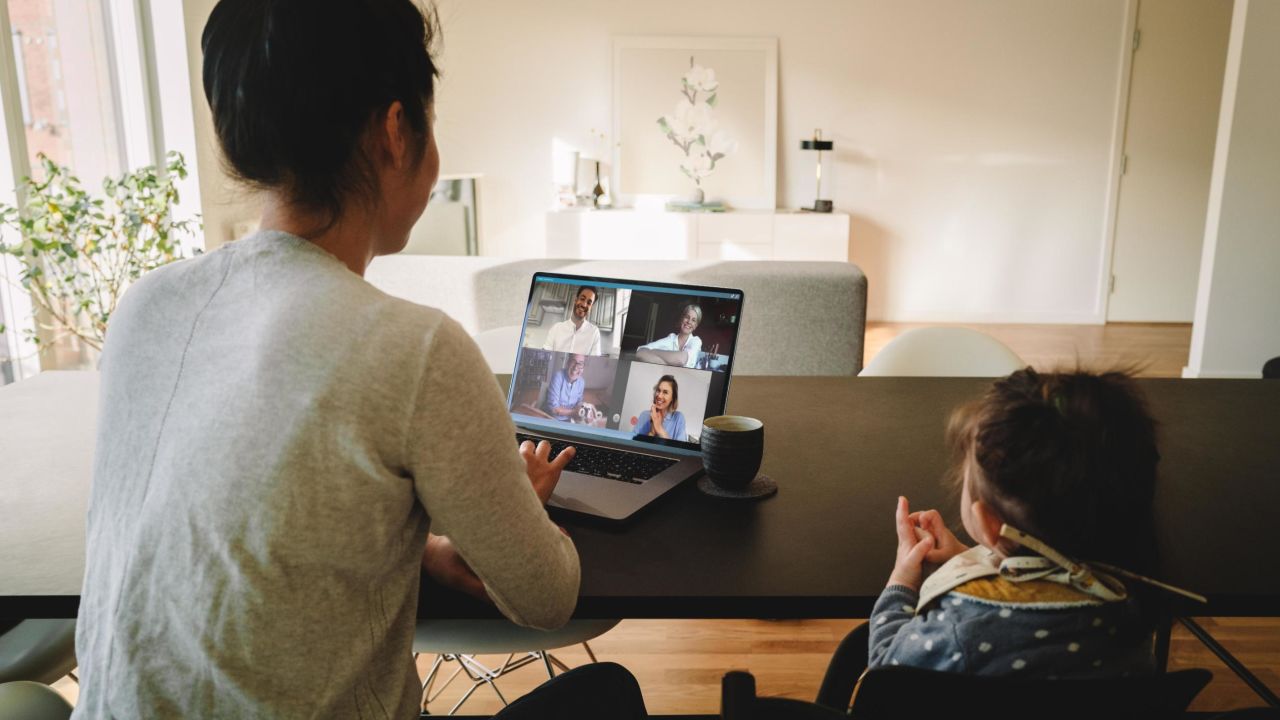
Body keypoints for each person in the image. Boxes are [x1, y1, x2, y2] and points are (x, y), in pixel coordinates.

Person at [71, 2, 646, 718]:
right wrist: (515, 511)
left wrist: (424, 548)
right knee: (608, 694)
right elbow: (547, 596)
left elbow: (240, 547)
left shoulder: (144, 308)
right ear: (396, 130)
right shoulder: (417, 349)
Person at [817, 369, 1170, 711]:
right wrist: (970, 558)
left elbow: (885, 672)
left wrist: (901, 581)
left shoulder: (959, 628)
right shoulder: (1134, 601)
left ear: (988, 523)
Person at [635, 302, 702, 368]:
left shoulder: (696, 341)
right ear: (682, 318)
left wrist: (653, 352)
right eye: (687, 317)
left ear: (696, 326)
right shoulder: (671, 338)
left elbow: (681, 360)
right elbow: (640, 352)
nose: (689, 322)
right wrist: (669, 362)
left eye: (693, 320)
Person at [542, 286, 602, 355]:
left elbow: (595, 362)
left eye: (589, 303)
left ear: (591, 307)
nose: (584, 305)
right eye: (582, 299)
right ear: (576, 300)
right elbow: (545, 355)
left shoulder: (594, 332)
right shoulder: (556, 328)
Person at [634, 375, 687, 442]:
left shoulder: (678, 418)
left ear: (672, 398)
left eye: (665, 392)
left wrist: (659, 428)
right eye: (658, 390)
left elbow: (680, 450)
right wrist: (652, 432)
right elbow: (635, 445)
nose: (659, 395)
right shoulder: (644, 415)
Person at [545, 353, 587, 421]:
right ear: (568, 363)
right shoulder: (558, 376)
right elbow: (554, 409)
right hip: (553, 419)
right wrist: (574, 412)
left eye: (580, 364)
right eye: (573, 362)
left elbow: (579, 402)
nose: (576, 367)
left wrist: (583, 408)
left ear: (583, 368)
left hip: (571, 419)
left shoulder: (581, 382)